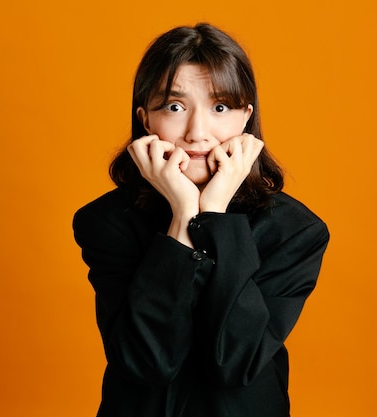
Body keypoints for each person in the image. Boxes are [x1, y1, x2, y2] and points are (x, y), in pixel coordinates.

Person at [73, 23, 329, 417]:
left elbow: (235, 362)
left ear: (246, 118)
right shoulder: (105, 222)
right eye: (174, 108)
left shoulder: (295, 231)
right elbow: (146, 361)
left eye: (220, 108)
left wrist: (214, 217)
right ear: (146, 120)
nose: (197, 133)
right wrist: (183, 217)